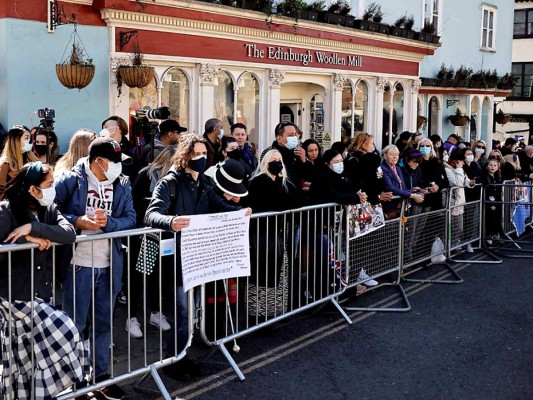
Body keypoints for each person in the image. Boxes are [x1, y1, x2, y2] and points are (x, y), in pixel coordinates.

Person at [145, 134, 247, 381]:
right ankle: (173, 361)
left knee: (193, 313)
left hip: (199, 258)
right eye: (196, 154)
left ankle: (183, 356)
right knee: (183, 314)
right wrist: (171, 222)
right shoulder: (169, 182)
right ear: (185, 155)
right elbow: (151, 215)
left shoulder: (204, 183)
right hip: (179, 259)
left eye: (204, 154)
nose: (200, 158)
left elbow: (219, 205)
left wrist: (239, 213)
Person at [54, 137, 136, 399]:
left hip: (109, 264)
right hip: (77, 266)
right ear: (97, 162)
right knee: (75, 325)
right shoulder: (71, 180)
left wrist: (108, 223)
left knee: (104, 325)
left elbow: (131, 218)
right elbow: (50, 210)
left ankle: (101, 376)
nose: (117, 167)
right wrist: (77, 221)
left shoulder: (122, 183)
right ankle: (75, 379)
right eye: (112, 162)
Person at [0, 162, 76, 301]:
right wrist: (29, 239)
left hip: (43, 292)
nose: (53, 188)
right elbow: (3, 244)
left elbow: (69, 233)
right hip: (14, 296)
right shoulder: (7, 210)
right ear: (33, 190)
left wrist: (33, 228)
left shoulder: (49, 209)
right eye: (49, 184)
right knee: (63, 324)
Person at [126, 145, 177, 339]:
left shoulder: (176, 180)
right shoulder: (146, 175)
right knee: (138, 277)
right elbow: (133, 202)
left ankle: (155, 313)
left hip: (165, 235)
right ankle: (131, 317)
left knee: (160, 276)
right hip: (144, 234)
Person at [260, 122, 309, 197]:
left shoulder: (296, 153)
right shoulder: (270, 154)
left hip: (296, 200)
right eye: (290, 135)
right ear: (279, 138)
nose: (294, 137)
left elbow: (307, 176)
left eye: (295, 134)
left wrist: (304, 161)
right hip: (279, 199)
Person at [346, 132, 393, 206]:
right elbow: (372, 181)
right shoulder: (369, 159)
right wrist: (377, 196)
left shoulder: (350, 157)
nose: (373, 146)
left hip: (362, 199)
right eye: (371, 144)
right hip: (366, 201)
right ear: (364, 145)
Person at [381, 145, 424, 219]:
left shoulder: (398, 168)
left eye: (397, 155)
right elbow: (391, 187)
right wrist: (412, 195)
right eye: (392, 155)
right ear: (385, 156)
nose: (395, 157)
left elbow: (402, 187)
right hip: (389, 206)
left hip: (399, 206)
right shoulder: (383, 168)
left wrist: (413, 191)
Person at [444, 150, 475, 251]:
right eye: (461, 161)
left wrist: (470, 183)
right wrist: (459, 169)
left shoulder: (459, 169)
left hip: (460, 203)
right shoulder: (447, 169)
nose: (462, 163)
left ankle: (453, 245)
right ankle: (449, 247)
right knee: (453, 228)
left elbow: (465, 180)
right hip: (452, 203)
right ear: (456, 161)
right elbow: (457, 183)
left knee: (459, 228)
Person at [0, 125, 39, 200]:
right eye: (26, 138)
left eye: (30, 138)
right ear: (16, 140)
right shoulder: (5, 164)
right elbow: (1, 192)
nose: (30, 141)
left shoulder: (33, 160)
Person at [417, 137, 449, 211]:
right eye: (422, 146)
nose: (425, 148)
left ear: (431, 148)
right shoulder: (416, 163)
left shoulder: (437, 162)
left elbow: (445, 181)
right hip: (420, 199)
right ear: (418, 147)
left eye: (428, 146)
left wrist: (438, 186)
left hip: (435, 200)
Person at [481, 157, 504, 243]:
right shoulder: (484, 177)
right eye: (490, 165)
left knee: (497, 218)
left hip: (497, 201)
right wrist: (491, 203)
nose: (492, 167)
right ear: (487, 166)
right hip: (488, 202)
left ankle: (495, 233)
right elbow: (487, 191)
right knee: (490, 219)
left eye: (495, 165)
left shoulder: (498, 176)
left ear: (498, 167)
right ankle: (489, 235)